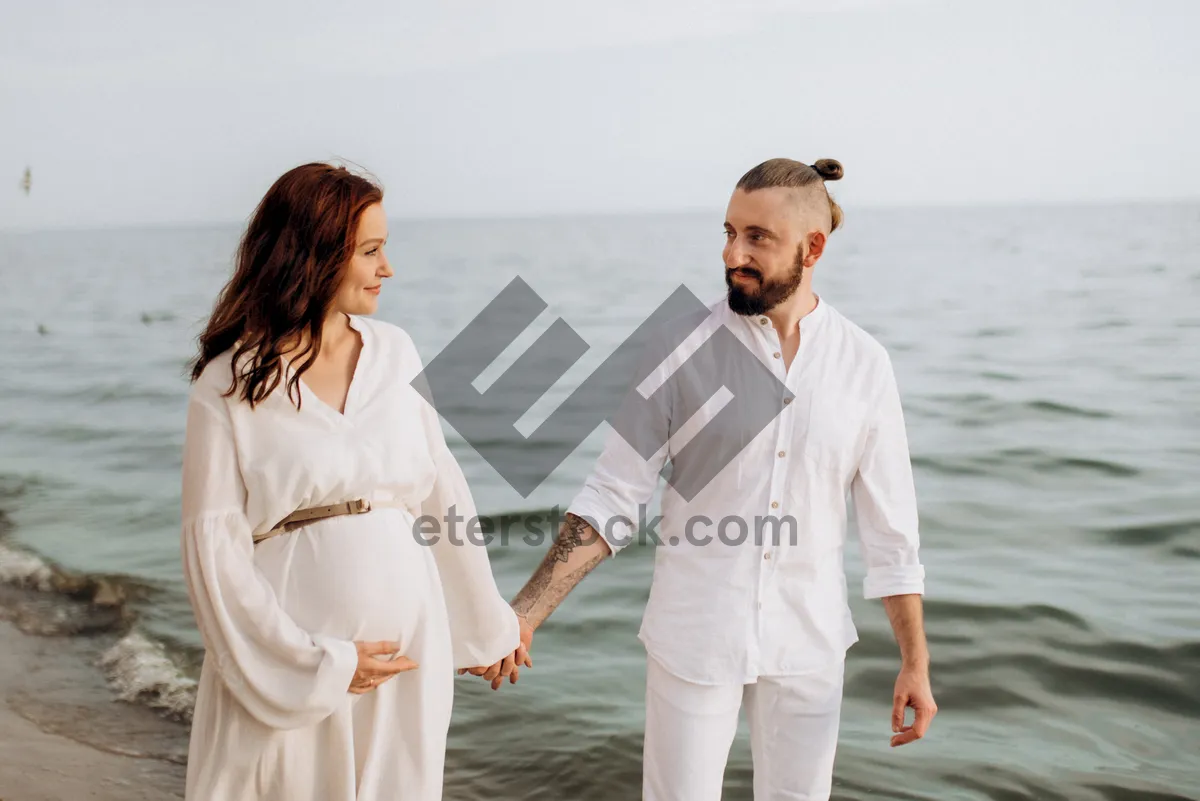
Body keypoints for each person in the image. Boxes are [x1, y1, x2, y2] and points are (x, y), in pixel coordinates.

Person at [470, 158, 937, 800]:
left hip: (810, 645)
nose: (732, 254)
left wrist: (915, 661)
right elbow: (613, 497)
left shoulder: (864, 364)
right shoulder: (677, 348)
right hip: (694, 637)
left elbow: (892, 533)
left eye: (756, 238)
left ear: (813, 247)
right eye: (728, 232)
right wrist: (527, 611)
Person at [180, 162, 521, 801]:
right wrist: (317, 663)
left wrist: (486, 625)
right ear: (311, 255)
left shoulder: (395, 352)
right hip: (292, 658)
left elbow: (439, 492)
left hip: (406, 656)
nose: (386, 268)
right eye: (369, 251)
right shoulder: (227, 384)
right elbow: (214, 552)